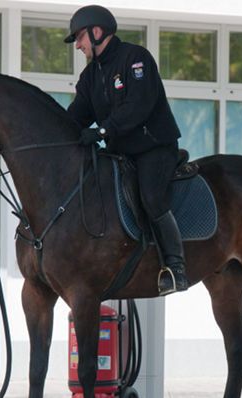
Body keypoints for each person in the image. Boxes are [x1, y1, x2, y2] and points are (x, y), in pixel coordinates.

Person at [65, 5, 188, 296]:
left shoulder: (136, 59)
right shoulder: (91, 76)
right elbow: (77, 115)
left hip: (153, 148)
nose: (78, 45)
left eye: (80, 38)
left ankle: (176, 266)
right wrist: (58, 133)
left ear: (97, 32)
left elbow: (139, 106)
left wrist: (103, 130)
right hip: (121, 152)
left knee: (151, 196)